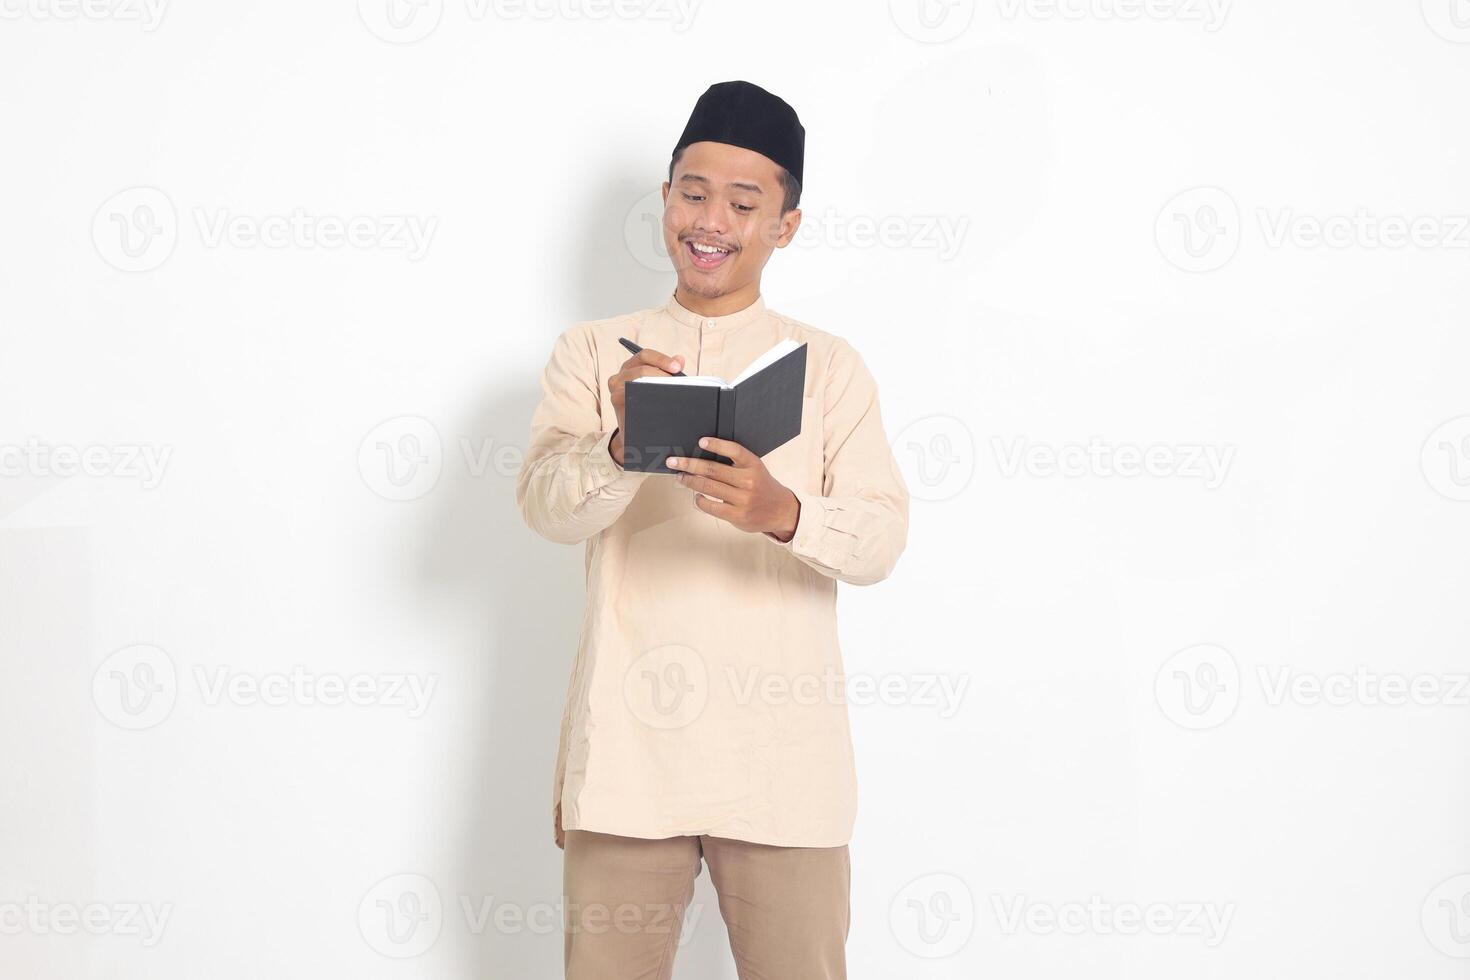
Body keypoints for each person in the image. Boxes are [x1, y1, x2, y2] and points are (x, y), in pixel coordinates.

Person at [516, 79, 910, 980]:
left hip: (782, 764)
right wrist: (618, 444)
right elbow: (542, 508)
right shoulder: (595, 352)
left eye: (744, 202)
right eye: (693, 192)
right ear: (664, 198)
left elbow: (884, 538)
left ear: (786, 224)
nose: (712, 220)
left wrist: (786, 513)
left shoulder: (829, 368)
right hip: (626, 756)